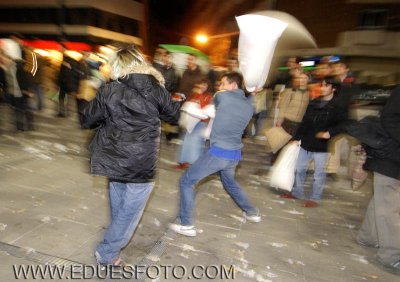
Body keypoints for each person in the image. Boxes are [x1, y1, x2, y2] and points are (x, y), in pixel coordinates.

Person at [79, 45, 180, 266]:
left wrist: (95, 102)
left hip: (114, 158)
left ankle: (112, 248)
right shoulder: (155, 88)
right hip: (141, 162)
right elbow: (174, 115)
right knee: (129, 212)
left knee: (121, 207)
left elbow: (86, 120)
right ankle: (107, 252)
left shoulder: (109, 89)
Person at [169, 72, 261, 237]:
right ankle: (252, 212)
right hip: (234, 155)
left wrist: (188, 106)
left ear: (233, 85)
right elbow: (247, 97)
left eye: (224, 83)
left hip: (218, 153)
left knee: (186, 181)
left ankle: (186, 224)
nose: (220, 87)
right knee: (230, 184)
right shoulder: (249, 104)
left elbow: (205, 113)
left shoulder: (221, 97)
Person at [281, 76, 348, 207]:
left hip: (321, 146)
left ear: (334, 88)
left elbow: (344, 124)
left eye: (326, 85)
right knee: (299, 169)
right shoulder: (314, 102)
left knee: (319, 174)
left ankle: (315, 198)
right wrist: (296, 138)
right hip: (306, 142)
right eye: (321, 85)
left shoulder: (338, 106)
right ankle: (297, 192)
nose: (322, 88)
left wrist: (330, 133)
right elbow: (304, 122)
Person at [357, 86, 400, 274]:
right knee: (388, 205)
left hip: (391, 157)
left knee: (382, 200)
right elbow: (389, 118)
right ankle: (392, 255)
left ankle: (367, 237)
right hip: (390, 156)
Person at [176, 78, 213, 169]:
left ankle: (194, 163)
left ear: (208, 86)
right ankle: (184, 161)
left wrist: (199, 97)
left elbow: (205, 109)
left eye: (205, 85)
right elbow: (188, 103)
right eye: (201, 84)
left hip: (201, 122)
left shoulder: (208, 97)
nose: (202, 86)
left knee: (196, 143)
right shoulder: (194, 94)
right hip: (191, 122)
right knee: (186, 142)